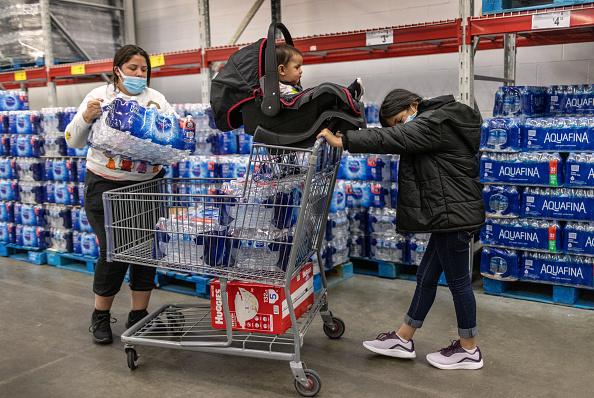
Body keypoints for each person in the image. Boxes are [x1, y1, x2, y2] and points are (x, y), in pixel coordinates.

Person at [318, 89, 486, 370]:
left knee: (458, 283)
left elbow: (392, 138)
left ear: (413, 105)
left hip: (453, 216)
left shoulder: (434, 122)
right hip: (449, 215)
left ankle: (469, 349)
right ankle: (403, 337)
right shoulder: (436, 120)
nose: (398, 127)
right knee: (426, 276)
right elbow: (396, 137)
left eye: (399, 119)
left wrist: (344, 140)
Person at [65, 44, 175, 344]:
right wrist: (86, 117)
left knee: (145, 250)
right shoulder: (99, 97)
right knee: (113, 252)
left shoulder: (156, 100)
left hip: (146, 186)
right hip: (106, 186)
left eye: (144, 69)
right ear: (118, 69)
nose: (140, 74)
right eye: (133, 68)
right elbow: (73, 140)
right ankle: (100, 315)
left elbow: (172, 137)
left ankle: (139, 315)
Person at [276, 44, 364, 100]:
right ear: (282, 70)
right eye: (297, 67)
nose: (301, 71)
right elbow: (297, 100)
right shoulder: (281, 90)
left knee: (323, 90)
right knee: (324, 91)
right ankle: (349, 94)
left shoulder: (290, 87)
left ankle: (348, 94)